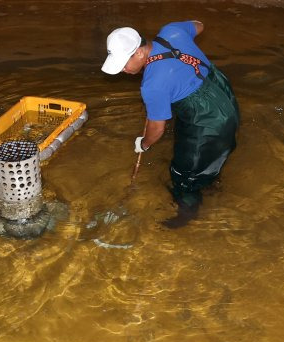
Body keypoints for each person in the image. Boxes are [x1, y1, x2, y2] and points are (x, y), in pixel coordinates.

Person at [102, 21, 240, 228]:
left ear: (139, 52)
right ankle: (211, 185)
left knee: (184, 174)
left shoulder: (153, 85)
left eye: (123, 63)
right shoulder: (171, 32)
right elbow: (200, 25)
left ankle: (184, 217)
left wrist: (144, 144)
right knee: (208, 153)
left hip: (207, 118)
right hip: (223, 96)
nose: (122, 69)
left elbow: (157, 129)